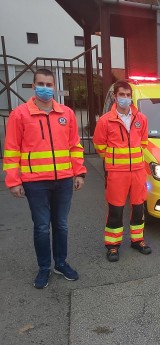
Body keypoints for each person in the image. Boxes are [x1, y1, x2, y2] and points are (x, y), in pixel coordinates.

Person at [3, 68, 86, 289]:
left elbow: (75, 146)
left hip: (64, 180)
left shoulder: (66, 114)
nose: (46, 89)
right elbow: (12, 150)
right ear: (33, 86)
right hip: (35, 182)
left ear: (54, 88)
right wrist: (13, 181)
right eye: (41, 84)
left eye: (50, 85)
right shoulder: (19, 115)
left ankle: (60, 263)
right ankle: (43, 268)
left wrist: (78, 172)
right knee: (41, 227)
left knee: (61, 225)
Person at [93, 80, 152, 262]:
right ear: (115, 96)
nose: (125, 98)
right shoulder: (105, 121)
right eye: (122, 95)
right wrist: (115, 161)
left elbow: (143, 143)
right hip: (116, 173)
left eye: (128, 95)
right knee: (116, 210)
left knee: (138, 207)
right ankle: (112, 245)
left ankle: (137, 240)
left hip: (137, 172)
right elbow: (99, 146)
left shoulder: (141, 119)